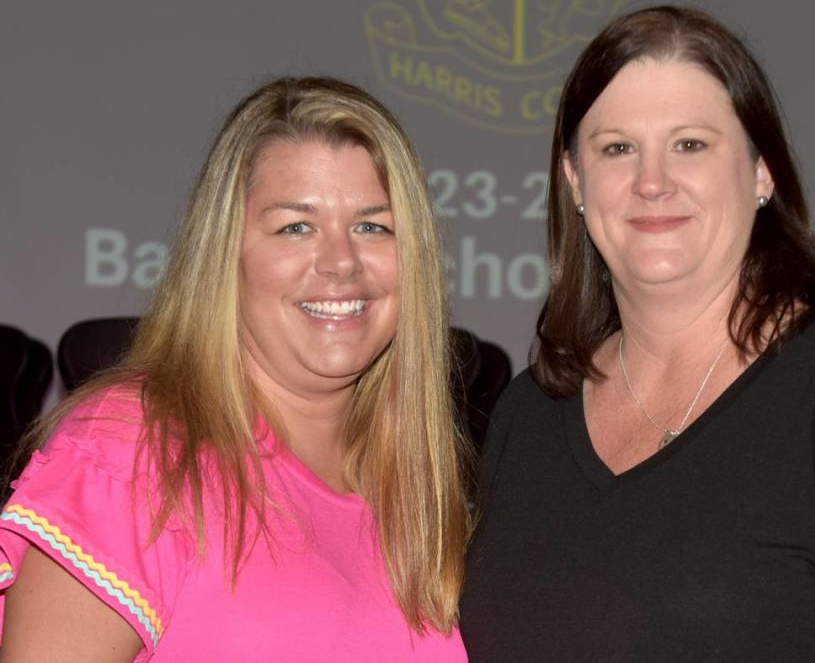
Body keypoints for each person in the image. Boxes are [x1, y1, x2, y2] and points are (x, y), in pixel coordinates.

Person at [460, 6, 815, 661]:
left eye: (690, 144)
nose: (652, 181)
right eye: (617, 148)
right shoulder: (527, 417)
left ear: (761, 171)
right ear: (575, 181)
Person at [0, 77, 470, 660]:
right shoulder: (133, 451)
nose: (341, 262)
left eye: (373, 226)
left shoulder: (414, 491)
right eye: (295, 227)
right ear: (226, 255)